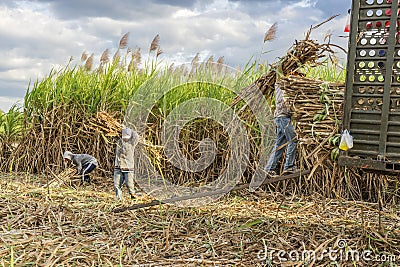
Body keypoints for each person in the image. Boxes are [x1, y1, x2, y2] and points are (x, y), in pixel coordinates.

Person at [264, 72, 299, 177]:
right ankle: (289, 166)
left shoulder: (281, 84)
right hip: (283, 117)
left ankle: (269, 168)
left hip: (280, 117)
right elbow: (282, 102)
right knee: (293, 139)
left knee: (279, 145)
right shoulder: (281, 84)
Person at [114, 127, 139, 200]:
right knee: (117, 184)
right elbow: (114, 135)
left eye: (127, 137)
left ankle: (133, 195)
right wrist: (120, 129)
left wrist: (130, 130)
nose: (125, 139)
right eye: (124, 137)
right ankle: (119, 199)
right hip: (118, 167)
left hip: (128, 168)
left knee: (129, 184)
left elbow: (136, 136)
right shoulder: (119, 141)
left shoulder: (132, 143)